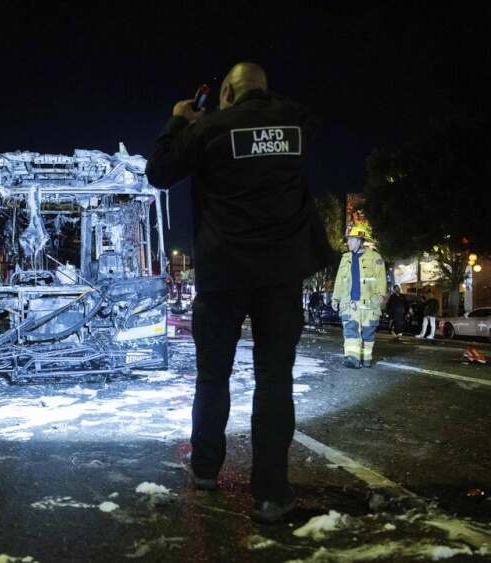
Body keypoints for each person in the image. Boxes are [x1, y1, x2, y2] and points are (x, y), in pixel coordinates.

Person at [145, 62, 334, 524]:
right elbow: (309, 120)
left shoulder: (209, 128)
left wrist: (179, 119)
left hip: (223, 273)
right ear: (264, 91)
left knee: (213, 376)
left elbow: (158, 171)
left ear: (225, 93)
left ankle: (207, 469)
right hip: (280, 275)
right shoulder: (294, 122)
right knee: (274, 381)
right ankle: (271, 495)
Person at [332, 223, 387, 368]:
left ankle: (366, 359)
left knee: (368, 334)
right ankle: (352, 358)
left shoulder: (375, 257)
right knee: (351, 331)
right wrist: (335, 297)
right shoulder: (345, 258)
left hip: (369, 304)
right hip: (350, 304)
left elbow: (381, 277)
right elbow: (339, 279)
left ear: (359, 241)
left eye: (350, 239)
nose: (348, 242)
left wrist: (381, 293)